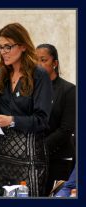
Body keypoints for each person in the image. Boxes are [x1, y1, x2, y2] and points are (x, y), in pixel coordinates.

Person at [0, 23, 52, 196]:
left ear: (23, 46)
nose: (2, 51)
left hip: (28, 159)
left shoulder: (39, 75)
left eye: (8, 46)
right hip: (1, 157)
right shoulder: (1, 75)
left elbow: (42, 120)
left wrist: (11, 120)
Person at [36, 44, 76, 195]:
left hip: (59, 158)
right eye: (35, 60)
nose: (38, 65)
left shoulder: (68, 90)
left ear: (55, 63)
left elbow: (66, 129)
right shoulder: (32, 89)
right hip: (34, 159)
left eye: (43, 60)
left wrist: (39, 147)